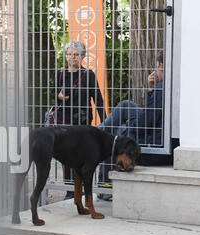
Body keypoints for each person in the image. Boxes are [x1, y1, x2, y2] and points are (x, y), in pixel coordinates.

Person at [97, 51, 167, 201]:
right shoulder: (167, 85)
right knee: (126, 106)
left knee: (115, 137)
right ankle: (97, 132)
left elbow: (144, 125)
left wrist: (128, 127)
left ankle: (105, 186)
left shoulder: (163, 88)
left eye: (156, 67)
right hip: (160, 133)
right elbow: (152, 114)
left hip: (156, 144)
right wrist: (151, 90)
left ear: (161, 66)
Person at [53, 41, 105, 200]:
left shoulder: (88, 75)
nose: (72, 57)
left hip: (81, 122)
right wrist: (59, 97)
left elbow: (98, 100)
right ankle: (69, 189)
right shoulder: (60, 73)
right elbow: (52, 94)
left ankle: (80, 188)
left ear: (82, 56)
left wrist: (105, 123)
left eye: (76, 55)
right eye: (69, 54)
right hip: (63, 121)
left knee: (81, 156)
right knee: (66, 156)